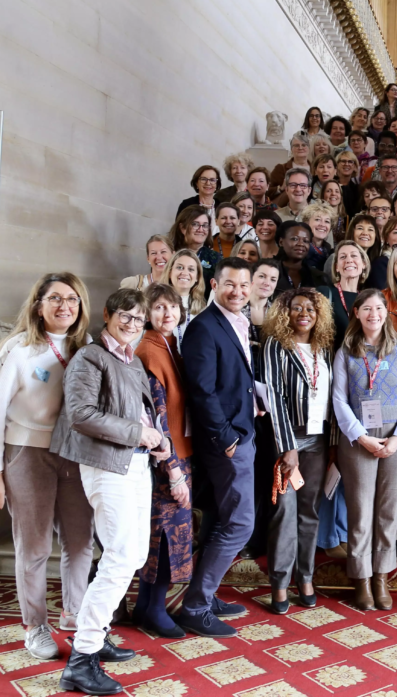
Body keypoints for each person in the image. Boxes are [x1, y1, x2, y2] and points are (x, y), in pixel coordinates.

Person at [50, 288, 167, 694]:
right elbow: (81, 414)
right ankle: (81, 660)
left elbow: (143, 412)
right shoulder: (89, 357)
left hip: (136, 464)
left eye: (139, 320)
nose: (132, 325)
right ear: (107, 315)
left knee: (132, 555)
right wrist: (139, 433)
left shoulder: (131, 362)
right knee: (119, 556)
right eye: (125, 316)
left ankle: (95, 637)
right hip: (104, 466)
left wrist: (158, 439)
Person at [0, 273, 94, 661]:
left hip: (74, 454)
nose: (65, 306)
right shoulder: (19, 348)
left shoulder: (87, 345)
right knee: (33, 546)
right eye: (56, 299)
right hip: (27, 453)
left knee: (80, 542)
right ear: (38, 305)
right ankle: (35, 625)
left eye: (73, 299)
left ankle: (74, 612)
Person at [176, 258, 257, 637]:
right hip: (226, 441)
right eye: (230, 285)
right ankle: (195, 605)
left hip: (241, 431)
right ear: (213, 284)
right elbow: (201, 390)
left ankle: (205, 595)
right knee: (240, 523)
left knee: (221, 518)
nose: (237, 292)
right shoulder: (203, 327)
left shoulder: (237, 321)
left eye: (244, 285)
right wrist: (226, 438)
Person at [334, 289, 397, 610]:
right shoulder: (346, 351)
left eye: (379, 308)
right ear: (356, 313)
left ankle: (381, 576)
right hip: (359, 440)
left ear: (387, 312)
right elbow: (339, 401)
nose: (373, 314)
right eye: (366, 309)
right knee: (360, 511)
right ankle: (360, 579)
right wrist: (361, 436)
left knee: (387, 511)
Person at [260, 288, 335, 613]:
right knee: (284, 513)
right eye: (296, 308)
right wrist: (287, 447)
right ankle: (279, 583)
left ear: (319, 315)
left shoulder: (324, 348)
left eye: (310, 309)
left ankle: (305, 576)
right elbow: (273, 397)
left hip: (317, 441)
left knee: (310, 512)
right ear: (285, 313)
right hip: (288, 439)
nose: (304, 313)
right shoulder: (276, 346)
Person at [133, 285, 194, 638]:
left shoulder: (171, 345)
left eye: (172, 307)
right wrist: (172, 471)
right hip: (166, 459)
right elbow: (156, 416)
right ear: (148, 313)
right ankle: (154, 609)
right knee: (166, 535)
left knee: (167, 531)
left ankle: (145, 604)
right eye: (158, 308)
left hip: (180, 451)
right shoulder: (150, 350)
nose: (166, 314)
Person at [318, 241, 370, 346]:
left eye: (354, 256)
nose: (349, 260)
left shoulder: (367, 299)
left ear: (363, 264)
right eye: (343, 257)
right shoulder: (324, 294)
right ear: (336, 267)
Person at [164, 249, 207, 346]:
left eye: (191, 269)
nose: (185, 273)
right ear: (170, 272)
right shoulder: (155, 304)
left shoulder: (204, 311)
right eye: (179, 267)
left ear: (197, 277)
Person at [170, 206, 220, 286]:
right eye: (195, 224)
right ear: (183, 228)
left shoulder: (216, 258)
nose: (201, 229)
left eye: (205, 225)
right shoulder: (170, 253)